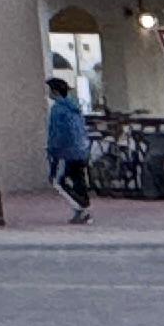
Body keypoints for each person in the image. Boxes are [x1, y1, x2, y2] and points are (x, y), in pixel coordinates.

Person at [44, 76, 92, 222]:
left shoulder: (58, 110)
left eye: (50, 90)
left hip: (65, 151)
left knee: (57, 181)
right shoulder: (74, 107)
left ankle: (80, 207)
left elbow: (57, 132)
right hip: (81, 150)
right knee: (79, 179)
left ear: (55, 91)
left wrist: (52, 150)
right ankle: (83, 208)